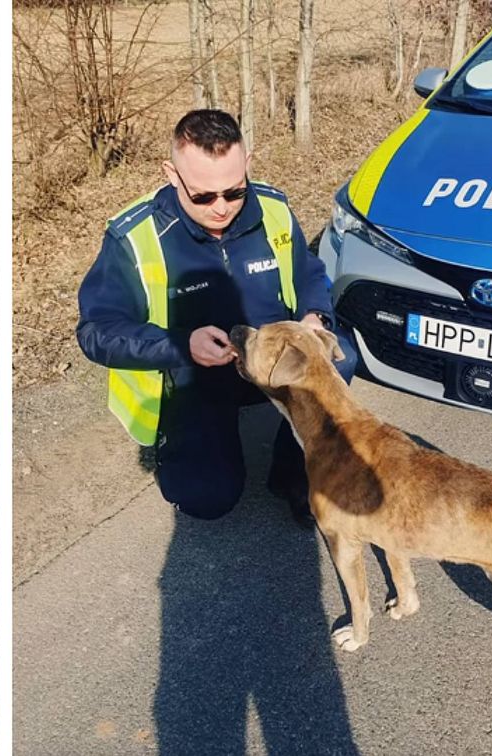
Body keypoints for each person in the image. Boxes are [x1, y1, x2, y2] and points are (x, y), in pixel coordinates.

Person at [77, 109, 358, 527]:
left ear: (247, 166)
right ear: (171, 175)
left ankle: (294, 473)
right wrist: (179, 345)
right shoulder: (134, 236)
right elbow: (96, 332)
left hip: (268, 359)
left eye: (234, 191)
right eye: (204, 197)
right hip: (193, 373)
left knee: (341, 357)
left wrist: (315, 316)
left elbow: (308, 271)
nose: (222, 208)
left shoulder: (273, 207)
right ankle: (186, 450)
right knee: (206, 499)